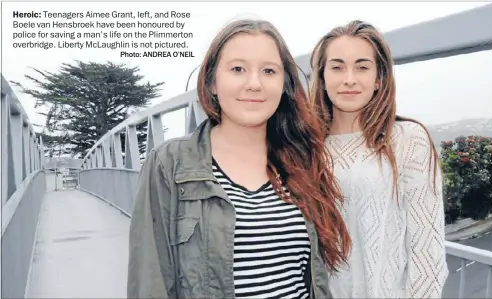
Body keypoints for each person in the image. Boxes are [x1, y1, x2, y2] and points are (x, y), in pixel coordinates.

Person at [127, 19, 352, 299]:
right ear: (211, 82)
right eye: (237, 69)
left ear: (284, 85)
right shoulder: (169, 164)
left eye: (269, 71)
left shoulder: (301, 160)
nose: (254, 84)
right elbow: (150, 282)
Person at [308, 20, 449, 298]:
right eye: (337, 67)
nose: (349, 78)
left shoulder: (407, 139)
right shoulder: (305, 147)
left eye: (362, 67)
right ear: (322, 77)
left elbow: (427, 252)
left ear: (379, 79)